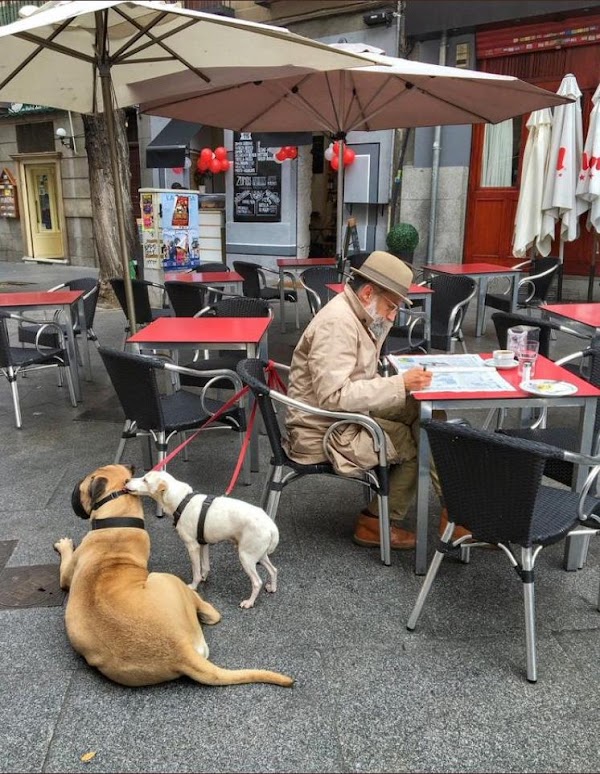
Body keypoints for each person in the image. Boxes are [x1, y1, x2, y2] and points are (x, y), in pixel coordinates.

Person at [284, 250, 457, 550]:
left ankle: (453, 511)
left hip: (342, 416)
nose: (393, 315)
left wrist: (400, 387)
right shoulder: (338, 323)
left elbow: (355, 381)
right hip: (324, 430)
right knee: (417, 438)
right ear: (367, 292)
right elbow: (334, 396)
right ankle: (379, 523)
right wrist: (399, 383)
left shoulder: (356, 313)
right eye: (391, 306)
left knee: (425, 412)